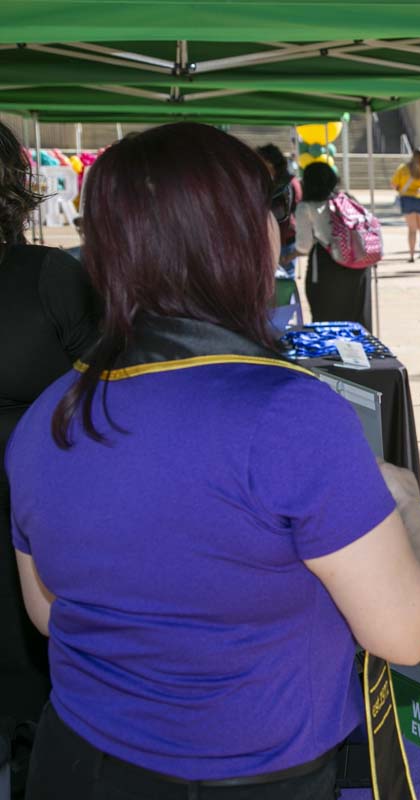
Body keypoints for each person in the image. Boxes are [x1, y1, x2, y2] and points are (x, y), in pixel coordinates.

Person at [7, 122, 420, 797]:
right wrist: (409, 507)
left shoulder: (50, 414)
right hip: (244, 778)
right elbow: (407, 632)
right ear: (239, 238)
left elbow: (48, 612)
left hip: (75, 763)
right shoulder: (288, 416)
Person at [0, 119, 99, 788]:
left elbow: (112, 395)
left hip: (33, 538)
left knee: (36, 709)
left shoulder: (47, 277)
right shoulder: (47, 276)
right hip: (37, 530)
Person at [297, 162, 372, 327]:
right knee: (356, 322)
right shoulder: (347, 199)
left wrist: (289, 255)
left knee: (327, 322)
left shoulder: (306, 207)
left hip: (326, 268)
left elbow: (303, 246)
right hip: (359, 265)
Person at [257, 143, 304, 324]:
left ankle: (281, 322)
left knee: (282, 286)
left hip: (283, 241)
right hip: (281, 238)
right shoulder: (289, 182)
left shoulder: (284, 184)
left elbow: (287, 212)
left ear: (272, 163)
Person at [390, 147, 420, 263]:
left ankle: (411, 255)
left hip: (407, 200)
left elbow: (394, 184)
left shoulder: (403, 168)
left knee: (412, 229)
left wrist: (402, 189)